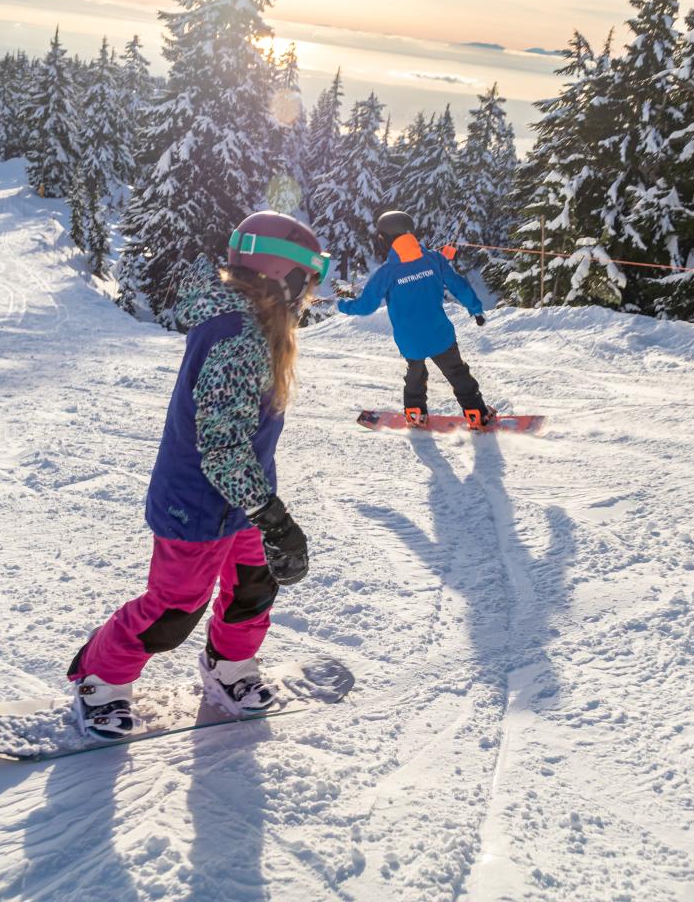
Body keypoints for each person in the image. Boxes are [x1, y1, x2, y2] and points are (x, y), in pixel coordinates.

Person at [66, 211, 330, 740]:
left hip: (243, 498)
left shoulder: (252, 328)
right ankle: (98, 679)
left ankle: (228, 668)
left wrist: (262, 509)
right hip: (198, 504)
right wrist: (273, 518)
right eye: (307, 281)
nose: (309, 296)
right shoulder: (236, 338)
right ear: (283, 274)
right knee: (174, 609)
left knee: (252, 588)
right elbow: (222, 447)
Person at [336, 210, 497, 429]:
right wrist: (476, 309)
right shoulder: (434, 259)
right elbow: (459, 285)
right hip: (440, 334)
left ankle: (414, 414)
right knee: (458, 373)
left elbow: (366, 306)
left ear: (388, 239)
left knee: (415, 375)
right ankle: (477, 415)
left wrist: (342, 305)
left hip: (409, 339)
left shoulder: (387, 272)